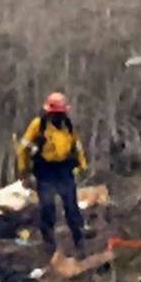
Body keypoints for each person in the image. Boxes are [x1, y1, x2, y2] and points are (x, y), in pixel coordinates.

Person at [16, 92, 90, 258]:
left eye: (61, 113)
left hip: (64, 169)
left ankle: (80, 243)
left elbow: (77, 147)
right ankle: (49, 246)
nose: (59, 116)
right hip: (45, 170)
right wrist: (24, 171)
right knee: (48, 207)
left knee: (71, 207)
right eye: (56, 113)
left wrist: (82, 165)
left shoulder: (67, 126)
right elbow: (23, 148)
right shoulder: (38, 125)